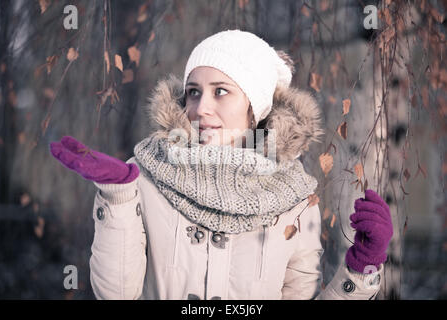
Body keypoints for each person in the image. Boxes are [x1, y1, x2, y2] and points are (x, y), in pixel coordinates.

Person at [50, 29, 393, 300]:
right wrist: (117, 198)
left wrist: (360, 270)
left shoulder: (296, 200)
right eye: (194, 92)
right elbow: (116, 294)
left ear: (254, 106)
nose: (200, 109)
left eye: (221, 91)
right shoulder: (146, 176)